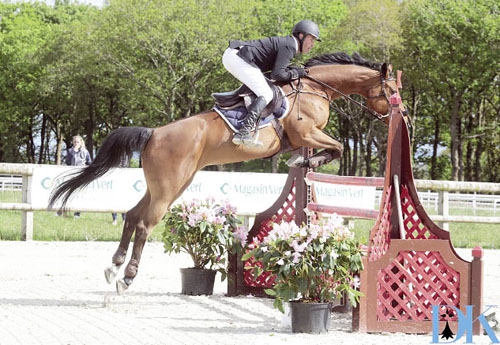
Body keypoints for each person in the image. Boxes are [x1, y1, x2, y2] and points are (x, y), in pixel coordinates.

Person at [222, 20, 321, 146]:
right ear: (301, 36)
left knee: (262, 90)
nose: (312, 44)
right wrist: (298, 73)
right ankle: (243, 131)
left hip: (236, 56)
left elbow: (277, 71)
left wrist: (293, 70)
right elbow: (277, 75)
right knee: (266, 93)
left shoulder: (288, 44)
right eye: (311, 39)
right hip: (237, 57)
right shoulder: (290, 45)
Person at [64, 135, 92, 218]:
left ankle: (77, 213)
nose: (76, 143)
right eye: (75, 142)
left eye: (78, 142)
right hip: (71, 174)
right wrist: (72, 153)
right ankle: (64, 210)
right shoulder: (69, 151)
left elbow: (89, 162)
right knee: (69, 193)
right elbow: (68, 162)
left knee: (79, 194)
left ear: (81, 142)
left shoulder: (85, 152)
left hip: (80, 174)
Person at [111, 153, 130, 225]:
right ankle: (114, 219)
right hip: (115, 175)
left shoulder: (127, 152)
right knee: (114, 199)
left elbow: (126, 164)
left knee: (123, 199)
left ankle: (124, 219)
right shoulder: (115, 150)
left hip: (123, 176)